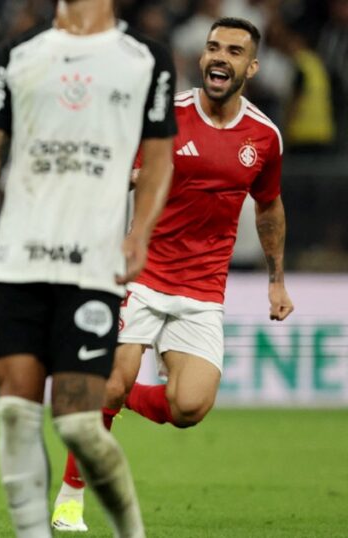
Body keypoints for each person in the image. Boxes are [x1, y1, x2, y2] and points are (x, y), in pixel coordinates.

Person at [0, 0, 177, 536]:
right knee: (14, 415)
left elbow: (159, 157)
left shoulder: (146, 59)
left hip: (91, 267)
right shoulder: (17, 54)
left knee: (79, 423)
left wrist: (139, 234)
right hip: (17, 260)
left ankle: (131, 532)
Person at [50, 17, 294, 532]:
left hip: (203, 289)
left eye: (232, 50)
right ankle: (71, 496)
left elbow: (268, 206)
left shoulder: (263, 137)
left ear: (251, 66)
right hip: (140, 273)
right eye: (212, 48)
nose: (218, 57)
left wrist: (276, 278)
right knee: (113, 379)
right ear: (202, 57)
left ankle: (107, 394)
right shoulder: (164, 117)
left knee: (188, 408)